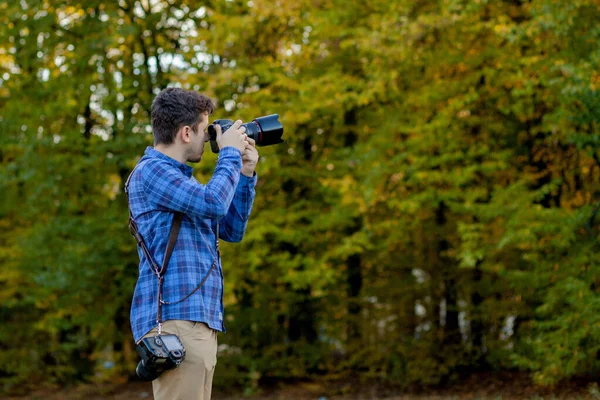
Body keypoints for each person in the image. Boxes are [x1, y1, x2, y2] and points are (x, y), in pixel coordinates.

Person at [126, 87, 259, 400]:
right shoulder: (153, 172)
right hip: (176, 321)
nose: (209, 138)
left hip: (195, 320)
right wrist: (227, 153)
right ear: (186, 132)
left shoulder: (184, 181)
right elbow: (214, 203)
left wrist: (245, 171)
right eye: (205, 130)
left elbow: (231, 229)